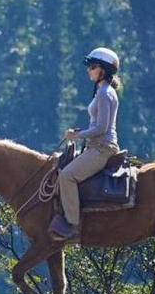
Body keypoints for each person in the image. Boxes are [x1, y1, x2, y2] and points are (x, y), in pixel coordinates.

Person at [49, 47, 122, 242]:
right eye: (89, 66)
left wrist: (77, 135)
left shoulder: (105, 93)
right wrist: (81, 133)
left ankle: (72, 225)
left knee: (67, 176)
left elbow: (101, 128)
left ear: (103, 70)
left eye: (92, 66)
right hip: (96, 145)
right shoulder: (103, 92)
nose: (88, 70)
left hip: (101, 148)